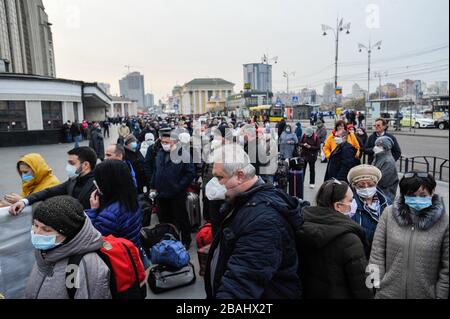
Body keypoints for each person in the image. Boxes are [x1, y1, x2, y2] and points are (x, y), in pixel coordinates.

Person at [204, 144, 303, 299]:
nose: (216, 183)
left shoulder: (263, 221)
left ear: (240, 175)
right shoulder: (242, 201)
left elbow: (242, 281)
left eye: (220, 177)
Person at [369, 172, 449, 299]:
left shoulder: (444, 221)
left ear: (433, 191)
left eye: (423, 195)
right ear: (404, 194)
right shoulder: (389, 214)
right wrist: (373, 285)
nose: (417, 199)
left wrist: (441, 295)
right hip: (387, 293)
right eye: (411, 195)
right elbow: (376, 253)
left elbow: (447, 266)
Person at [297, 179, 373, 299]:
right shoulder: (350, 240)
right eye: (350, 200)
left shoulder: (301, 225)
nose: (354, 203)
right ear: (338, 206)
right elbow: (361, 286)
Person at [25, 196, 111, 299]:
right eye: (35, 225)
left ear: (67, 232)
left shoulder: (77, 266)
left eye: (46, 230)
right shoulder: (45, 250)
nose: (37, 233)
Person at [85, 160, 148, 268]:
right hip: (133, 252)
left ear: (108, 183)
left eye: (98, 180)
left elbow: (95, 239)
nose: (95, 183)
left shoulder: (110, 214)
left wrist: (93, 211)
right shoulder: (129, 198)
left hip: (121, 262)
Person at [9, 147, 97, 215]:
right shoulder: (73, 180)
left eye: (72, 163)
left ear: (85, 165)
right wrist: (24, 201)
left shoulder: (97, 184)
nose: (68, 167)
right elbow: (49, 192)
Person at [149, 129, 195, 249]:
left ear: (174, 141)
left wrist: (178, 187)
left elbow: (190, 173)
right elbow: (156, 171)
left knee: (181, 218)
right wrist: (152, 186)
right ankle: (168, 240)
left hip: (177, 194)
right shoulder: (160, 153)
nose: (164, 144)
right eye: (162, 141)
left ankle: (185, 240)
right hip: (161, 193)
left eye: (166, 141)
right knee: (164, 219)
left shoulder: (183, 154)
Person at [347, 165, 389, 247]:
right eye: (361, 186)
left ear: (376, 184)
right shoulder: (350, 205)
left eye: (370, 185)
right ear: (354, 186)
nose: (366, 188)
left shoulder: (387, 202)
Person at [372, 136, 399, 202]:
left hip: (385, 195)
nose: (375, 147)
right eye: (376, 145)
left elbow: (382, 181)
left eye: (378, 145)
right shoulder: (378, 157)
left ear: (385, 147)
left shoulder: (388, 161)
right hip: (378, 193)